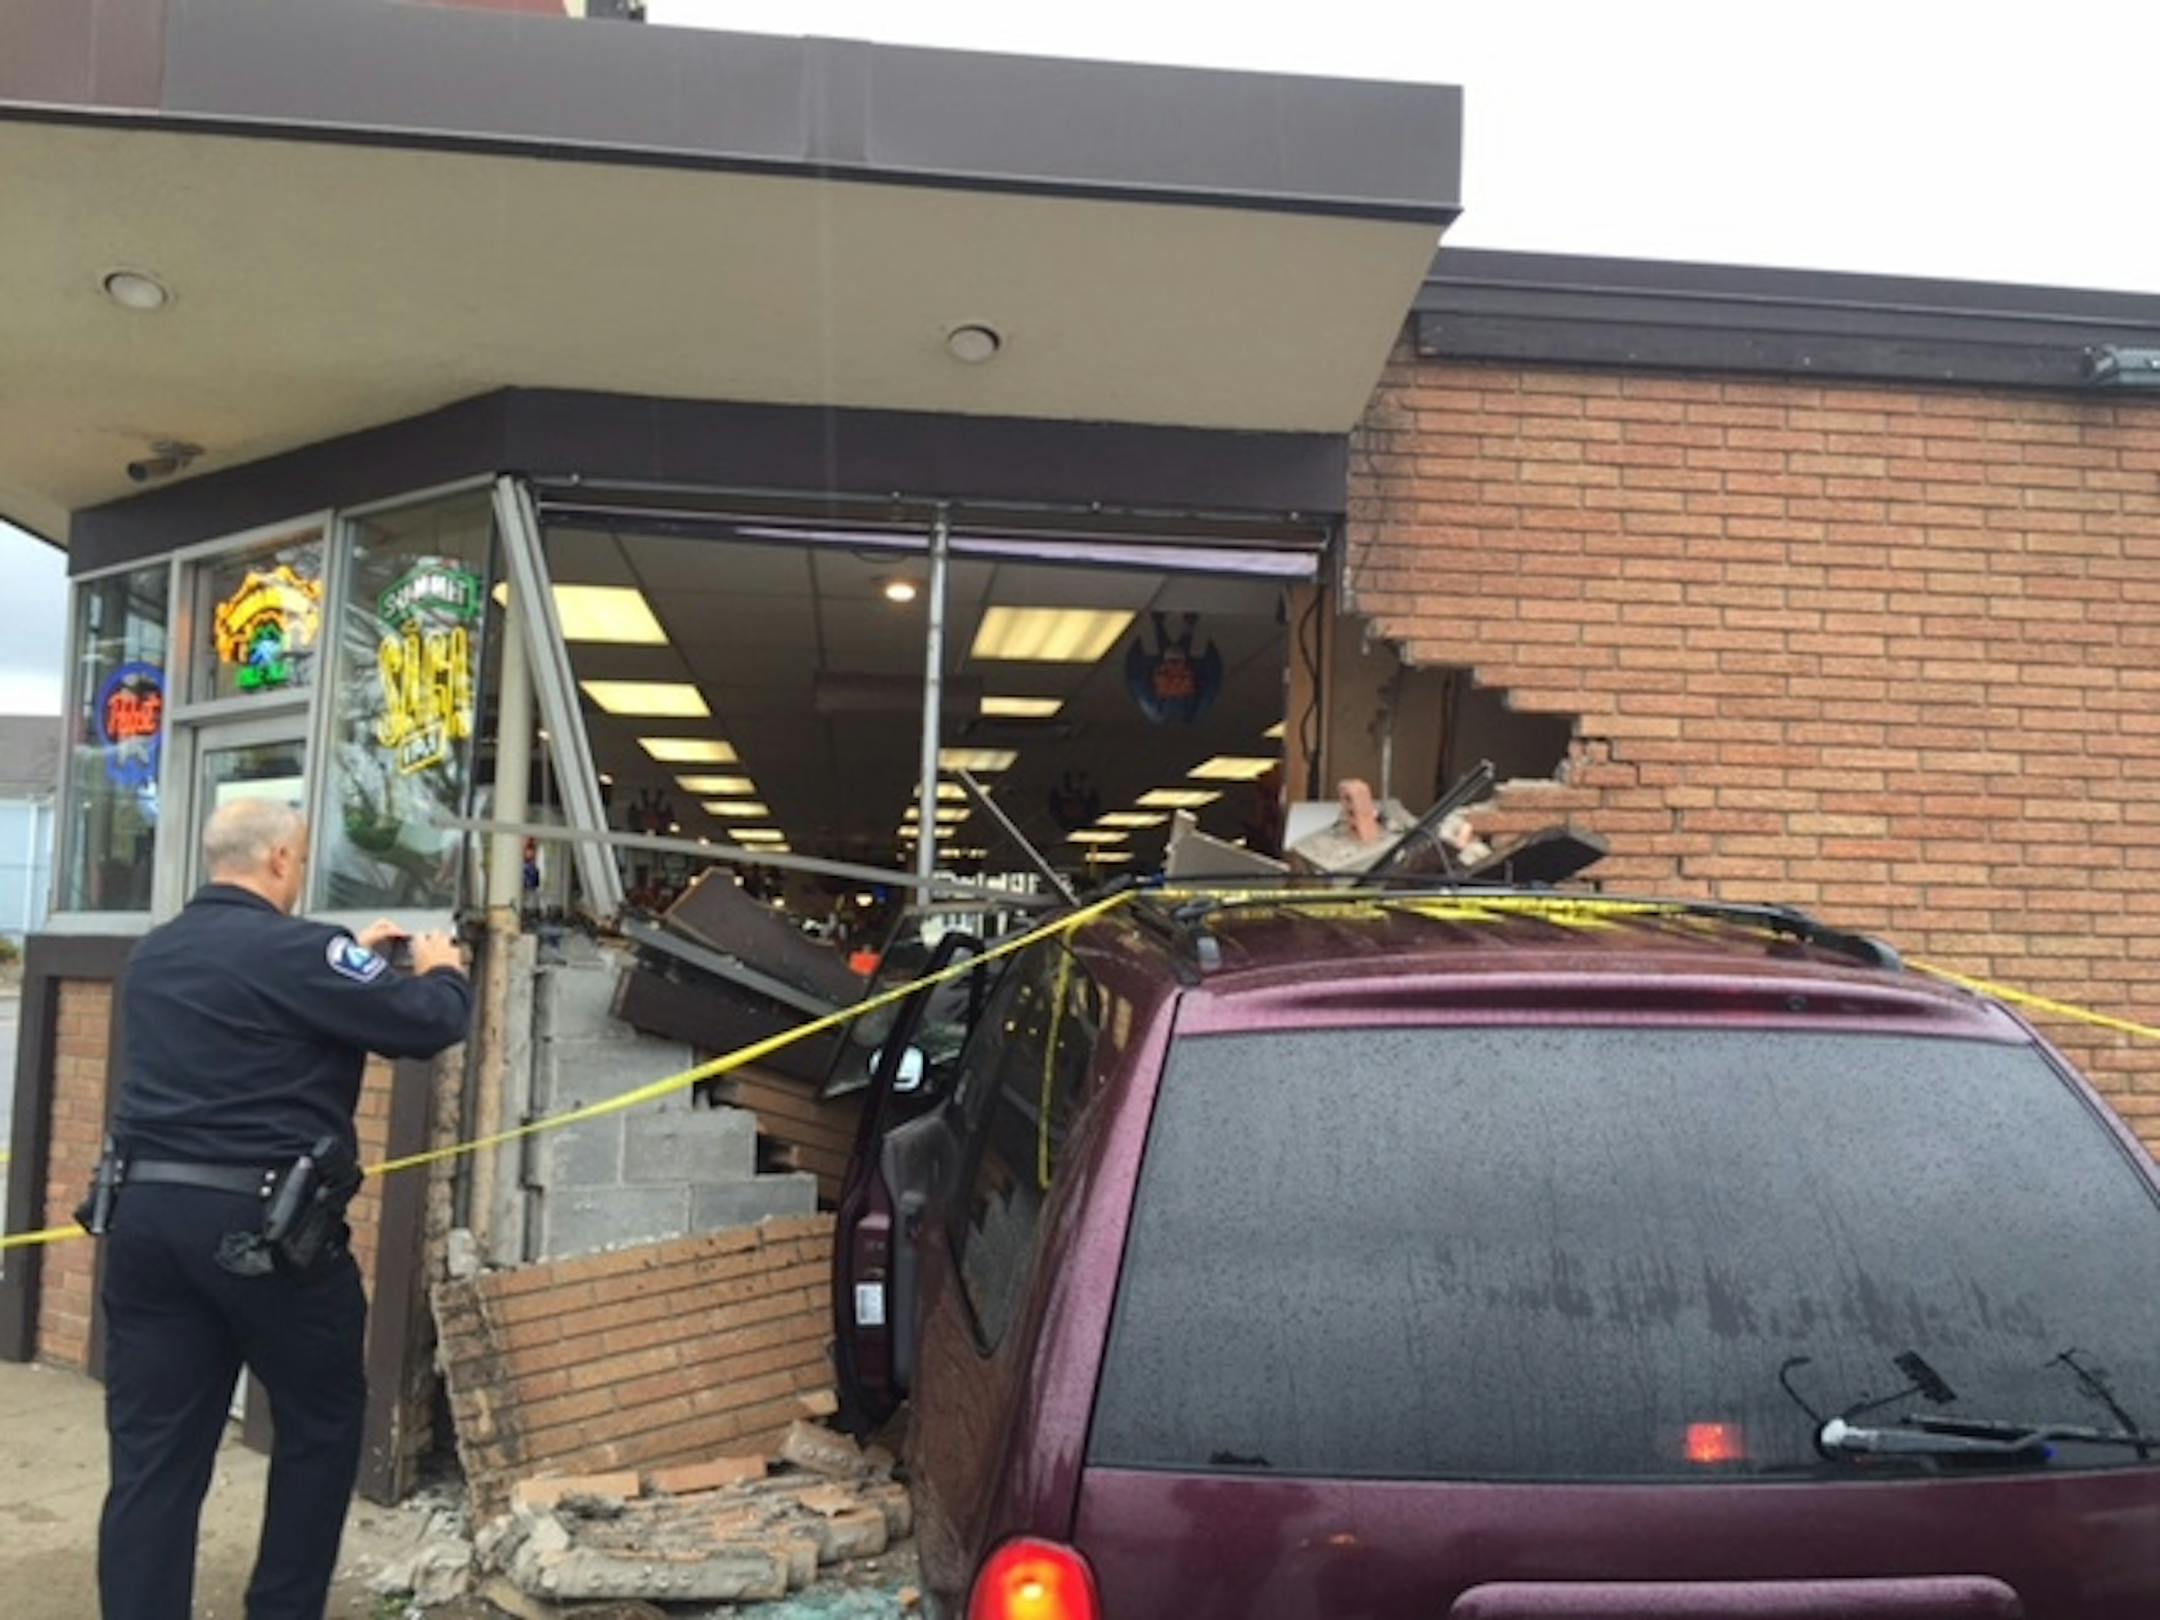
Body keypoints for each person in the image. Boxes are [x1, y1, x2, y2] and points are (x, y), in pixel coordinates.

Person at [94, 797, 472, 1620]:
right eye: (300, 860)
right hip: (267, 1235)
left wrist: (348, 962)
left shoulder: (156, 955)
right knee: (322, 1422)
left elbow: (263, 1012)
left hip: (144, 1224)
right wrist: (440, 966)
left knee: (154, 1457)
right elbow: (426, 1025)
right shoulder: (305, 951)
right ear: (278, 861)